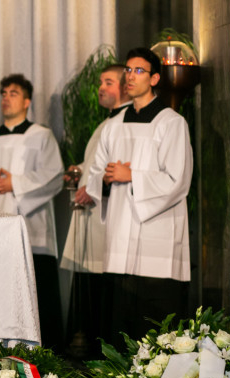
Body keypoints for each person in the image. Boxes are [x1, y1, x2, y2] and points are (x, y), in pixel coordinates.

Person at [87, 47, 193, 341]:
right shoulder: (112, 126)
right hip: (119, 237)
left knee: (153, 330)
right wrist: (106, 178)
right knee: (120, 329)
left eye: (138, 71)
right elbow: (95, 173)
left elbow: (178, 180)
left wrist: (131, 175)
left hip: (156, 241)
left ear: (154, 78)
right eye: (128, 71)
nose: (130, 77)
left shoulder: (171, 123)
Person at [0, 74, 64, 350]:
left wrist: (14, 183)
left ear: (27, 101)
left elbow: (53, 175)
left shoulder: (41, 136)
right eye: (4, 93)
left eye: (14, 93)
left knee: (36, 292)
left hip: (32, 226)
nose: (6, 98)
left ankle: (45, 351)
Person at [60, 64, 131, 349]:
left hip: (108, 216)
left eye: (108, 82)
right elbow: (96, 165)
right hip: (92, 214)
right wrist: (79, 171)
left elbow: (120, 167)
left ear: (125, 86)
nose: (101, 88)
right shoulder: (107, 123)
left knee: (105, 289)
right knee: (90, 285)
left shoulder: (127, 122)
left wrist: (93, 186)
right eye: (101, 82)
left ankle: (102, 350)